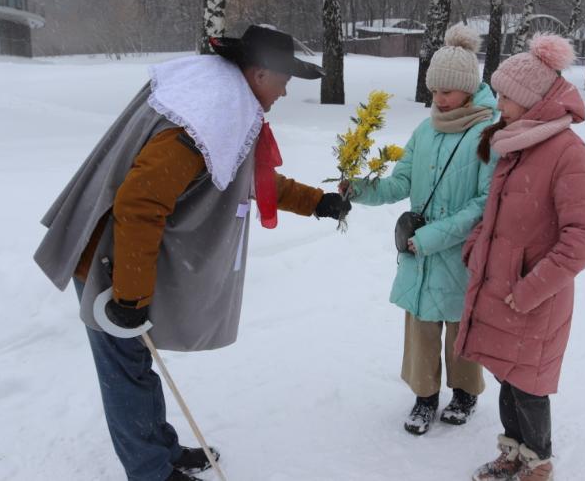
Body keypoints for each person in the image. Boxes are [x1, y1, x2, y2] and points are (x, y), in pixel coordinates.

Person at [33, 25, 351, 481]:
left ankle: (159, 450)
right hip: (110, 260)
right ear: (259, 73)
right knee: (127, 371)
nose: (284, 91)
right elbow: (139, 203)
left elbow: (244, 177)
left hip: (124, 257)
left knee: (138, 365)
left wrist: (316, 202)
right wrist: (129, 297)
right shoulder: (204, 118)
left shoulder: (220, 102)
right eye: (284, 80)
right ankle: (151, 472)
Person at [456, 34, 585, 481]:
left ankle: (538, 460)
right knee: (505, 375)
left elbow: (583, 237)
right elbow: (494, 212)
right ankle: (513, 450)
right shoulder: (517, 141)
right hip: (499, 289)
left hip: (533, 296)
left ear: (531, 100)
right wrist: (474, 247)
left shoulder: (567, 152)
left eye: (505, 95)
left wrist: (532, 287)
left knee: (529, 384)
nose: (498, 103)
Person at [343, 25, 498, 435]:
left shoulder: (489, 134)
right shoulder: (425, 131)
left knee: (462, 326)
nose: (440, 100)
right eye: (435, 91)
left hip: (460, 252)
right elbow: (399, 182)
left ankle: (465, 392)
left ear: (468, 88)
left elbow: (483, 204)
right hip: (419, 251)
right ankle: (424, 396)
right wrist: (359, 188)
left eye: (448, 91)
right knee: (421, 324)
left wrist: (433, 237)